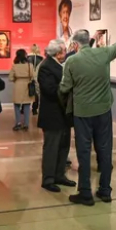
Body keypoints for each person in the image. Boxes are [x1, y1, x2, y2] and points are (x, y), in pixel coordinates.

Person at [60, 29, 116, 206]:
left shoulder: (72, 61)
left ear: (75, 44)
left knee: (84, 152)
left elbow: (65, 87)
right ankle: (105, 190)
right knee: (105, 150)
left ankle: (85, 192)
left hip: (82, 113)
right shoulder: (104, 53)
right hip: (103, 111)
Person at [37, 39, 76, 193]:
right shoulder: (46, 67)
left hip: (63, 115)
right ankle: (48, 179)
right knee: (51, 148)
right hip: (52, 115)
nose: (66, 53)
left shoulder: (59, 65)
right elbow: (50, 90)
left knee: (63, 147)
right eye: (64, 50)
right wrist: (68, 88)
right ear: (58, 53)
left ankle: (59, 175)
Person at [9, 49, 35, 131]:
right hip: (27, 86)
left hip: (18, 86)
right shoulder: (30, 65)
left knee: (17, 106)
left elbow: (10, 78)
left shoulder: (14, 66)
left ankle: (18, 123)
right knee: (27, 105)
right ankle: (26, 124)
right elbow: (33, 76)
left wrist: (16, 79)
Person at [27, 44, 44, 115]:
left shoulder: (28, 58)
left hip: (29, 77)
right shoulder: (41, 59)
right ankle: (35, 108)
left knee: (27, 93)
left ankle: (24, 108)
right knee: (37, 93)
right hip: (38, 77)